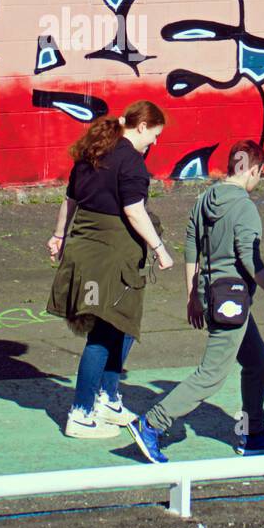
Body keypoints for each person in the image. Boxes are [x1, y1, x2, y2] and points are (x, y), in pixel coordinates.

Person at [127, 140, 264, 464]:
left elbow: (191, 246)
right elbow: (249, 258)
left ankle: (253, 432)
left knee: (258, 365)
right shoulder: (245, 208)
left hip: (212, 294)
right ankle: (151, 423)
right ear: (253, 170)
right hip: (231, 302)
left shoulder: (205, 199)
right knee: (211, 374)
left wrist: (192, 295)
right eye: (260, 174)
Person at [47, 101, 173, 439]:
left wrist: (59, 236)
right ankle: (81, 414)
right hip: (110, 256)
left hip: (86, 249)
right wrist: (160, 249)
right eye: (155, 134)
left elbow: (70, 200)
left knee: (123, 324)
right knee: (103, 333)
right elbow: (134, 211)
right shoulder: (130, 161)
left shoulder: (94, 150)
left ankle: (108, 398)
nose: (155, 142)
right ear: (141, 127)